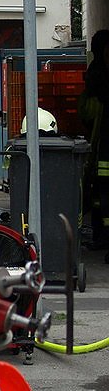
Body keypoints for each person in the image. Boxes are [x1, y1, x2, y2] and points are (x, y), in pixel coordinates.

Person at [79, 29, 109, 258]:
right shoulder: (98, 74)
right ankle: (102, 237)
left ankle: (102, 237)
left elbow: (87, 113)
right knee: (101, 195)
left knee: (101, 195)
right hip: (102, 145)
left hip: (102, 147)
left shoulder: (96, 74)